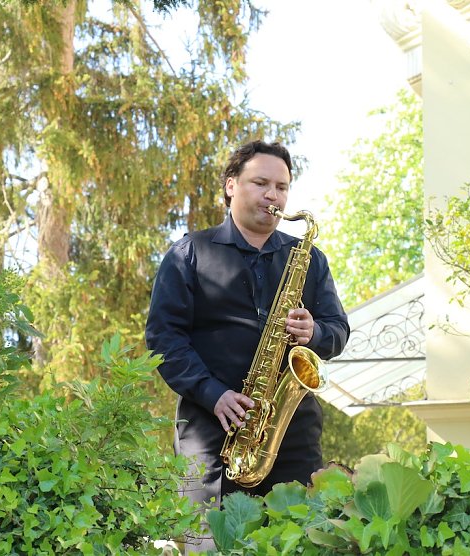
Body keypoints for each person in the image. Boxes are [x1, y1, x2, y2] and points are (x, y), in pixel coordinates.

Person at [145, 140, 349, 549]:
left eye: (282, 186)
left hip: (292, 435)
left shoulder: (309, 258)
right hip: (210, 435)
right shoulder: (189, 254)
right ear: (231, 186)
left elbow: (337, 330)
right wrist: (214, 394)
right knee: (209, 545)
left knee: (299, 543)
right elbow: (164, 340)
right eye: (261, 183)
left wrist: (316, 333)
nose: (273, 196)